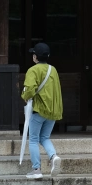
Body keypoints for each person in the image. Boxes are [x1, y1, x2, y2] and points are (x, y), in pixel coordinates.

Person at [22, 41, 63, 178]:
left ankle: (36, 169)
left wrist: (24, 96)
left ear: (35, 57)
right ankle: (53, 157)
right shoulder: (54, 70)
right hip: (52, 111)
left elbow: (29, 90)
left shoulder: (33, 70)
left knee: (33, 139)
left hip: (38, 109)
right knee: (44, 137)